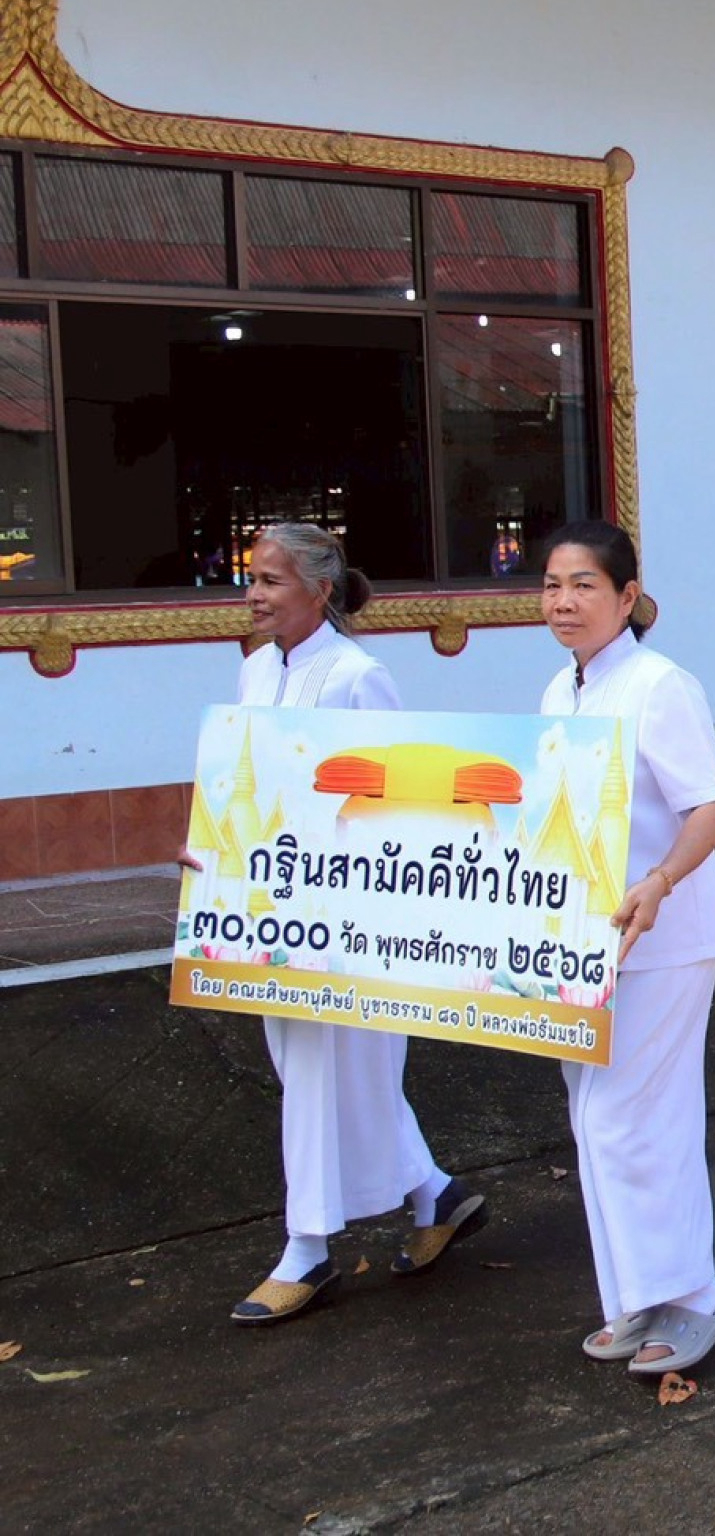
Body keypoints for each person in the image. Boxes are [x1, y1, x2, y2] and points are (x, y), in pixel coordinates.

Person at [217, 525, 482, 1328]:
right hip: (272, 911)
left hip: (346, 919)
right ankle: (438, 1194)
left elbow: (397, 801)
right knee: (312, 1070)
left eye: (271, 580)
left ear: (320, 590)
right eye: (251, 578)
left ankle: (308, 1250)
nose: (255, 594)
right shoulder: (257, 669)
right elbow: (242, 788)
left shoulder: (358, 676)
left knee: (331, 1075)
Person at [538, 520, 715, 1376]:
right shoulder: (562, 692)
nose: (563, 601)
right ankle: (638, 1296)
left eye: (584, 584)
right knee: (594, 1121)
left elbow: (713, 809)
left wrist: (659, 882)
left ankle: (697, 1297)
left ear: (627, 597)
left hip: (663, 939)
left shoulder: (660, 685)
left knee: (636, 1121)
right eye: (551, 584)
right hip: (584, 944)